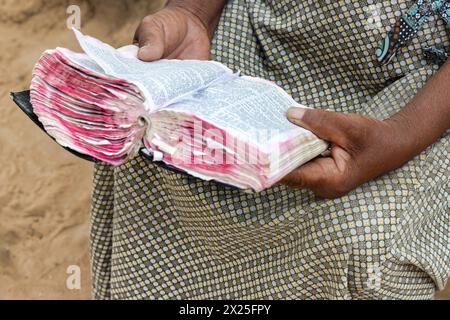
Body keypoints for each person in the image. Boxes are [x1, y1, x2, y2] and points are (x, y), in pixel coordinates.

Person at [90, 0, 450, 299]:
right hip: (269, 28)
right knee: (147, 129)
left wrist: (400, 134)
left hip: (423, 96)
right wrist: (192, 11)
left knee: (354, 240)